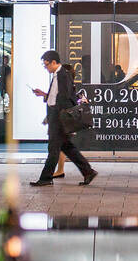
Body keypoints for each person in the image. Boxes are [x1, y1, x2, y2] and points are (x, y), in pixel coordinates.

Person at [29, 50, 96, 187]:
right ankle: (88, 171)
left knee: (53, 149)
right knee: (67, 147)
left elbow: (65, 98)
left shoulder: (62, 75)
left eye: (46, 64)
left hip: (59, 118)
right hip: (56, 117)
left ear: (54, 62)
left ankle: (46, 178)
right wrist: (44, 95)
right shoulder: (57, 75)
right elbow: (56, 97)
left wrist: (59, 117)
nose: (46, 67)